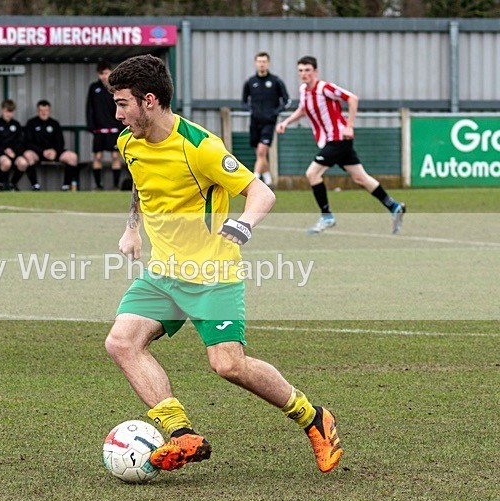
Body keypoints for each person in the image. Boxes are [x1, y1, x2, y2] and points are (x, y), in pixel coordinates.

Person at [104, 54, 342, 474]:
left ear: (149, 101)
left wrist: (244, 224)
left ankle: (313, 417)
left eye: (123, 104)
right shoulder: (129, 142)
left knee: (228, 364)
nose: (118, 114)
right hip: (163, 273)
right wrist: (131, 229)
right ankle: (180, 434)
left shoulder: (200, 147)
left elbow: (261, 193)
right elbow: (141, 186)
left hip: (212, 274)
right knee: (121, 342)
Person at [276, 55, 406, 234]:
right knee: (360, 178)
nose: (304, 74)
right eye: (301, 70)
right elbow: (303, 109)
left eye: (307, 70)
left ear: (315, 71)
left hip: (338, 139)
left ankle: (327, 217)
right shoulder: (303, 90)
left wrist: (349, 126)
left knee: (312, 174)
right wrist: (286, 122)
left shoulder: (325, 88)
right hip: (331, 141)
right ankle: (394, 206)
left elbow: (352, 98)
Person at [242, 52, 290, 188]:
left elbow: (286, 101)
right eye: (259, 61)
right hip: (254, 122)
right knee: (259, 154)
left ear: (268, 63)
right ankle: (268, 178)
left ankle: (254, 181)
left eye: (264, 61)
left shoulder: (276, 81)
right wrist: (251, 110)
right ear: (255, 63)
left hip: (269, 122)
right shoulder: (250, 82)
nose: (261, 64)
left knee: (262, 152)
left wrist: (275, 112)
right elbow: (243, 102)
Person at [22, 100, 80, 191]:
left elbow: (60, 142)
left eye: (46, 110)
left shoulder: (54, 123)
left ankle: (66, 186)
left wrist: (54, 151)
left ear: (49, 111)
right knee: (28, 154)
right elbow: (27, 142)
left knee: (73, 157)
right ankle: (35, 186)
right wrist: (42, 152)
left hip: (54, 153)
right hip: (38, 153)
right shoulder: (31, 123)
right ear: (38, 111)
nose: (44, 113)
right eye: (41, 110)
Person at [86, 61, 124, 190]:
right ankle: (98, 186)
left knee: (115, 156)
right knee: (97, 156)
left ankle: (115, 185)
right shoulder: (94, 88)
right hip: (99, 130)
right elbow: (89, 108)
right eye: (101, 73)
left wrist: (120, 126)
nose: (104, 76)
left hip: (114, 129)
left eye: (106, 73)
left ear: (111, 72)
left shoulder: (116, 88)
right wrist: (91, 126)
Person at [0, 99, 31, 191]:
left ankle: (13, 184)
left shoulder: (16, 125)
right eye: (7, 111)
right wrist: (4, 150)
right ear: (2, 110)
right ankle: (0, 184)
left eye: (11, 112)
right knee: (6, 163)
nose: (9, 114)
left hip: (14, 153)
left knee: (23, 163)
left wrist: (13, 151)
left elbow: (20, 141)